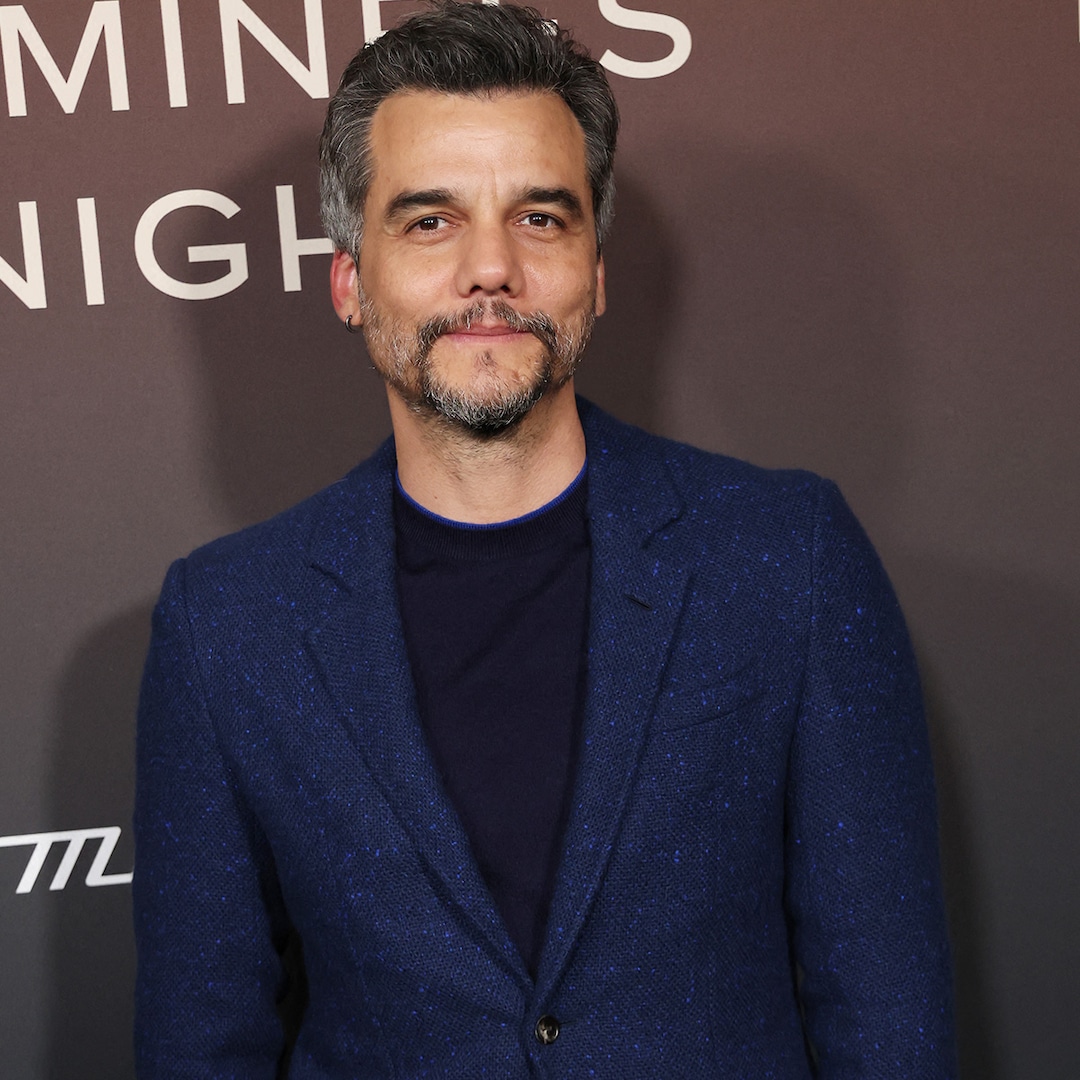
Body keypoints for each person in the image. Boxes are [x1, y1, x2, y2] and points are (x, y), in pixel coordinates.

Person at [133, 2, 956, 1076]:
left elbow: (886, 1010)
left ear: (596, 273)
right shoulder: (228, 623)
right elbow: (200, 1043)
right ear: (349, 282)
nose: (492, 268)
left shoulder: (786, 558)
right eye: (430, 221)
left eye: (540, 217)